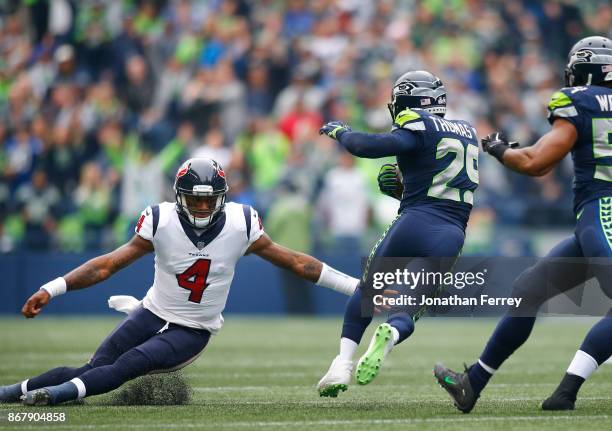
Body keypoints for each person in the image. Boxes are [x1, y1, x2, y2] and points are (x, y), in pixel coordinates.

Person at [0, 157, 359, 406]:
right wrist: (53, 287)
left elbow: (298, 262)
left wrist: (356, 288)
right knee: (94, 368)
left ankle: (55, 397)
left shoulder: (241, 223)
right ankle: (13, 391)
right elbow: (107, 265)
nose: (202, 208)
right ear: (179, 196)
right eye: (194, 200)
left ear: (221, 199)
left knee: (129, 366)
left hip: (192, 330)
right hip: (152, 312)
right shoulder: (160, 219)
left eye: (208, 201)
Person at [434, 36, 612, 413]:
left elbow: (535, 163)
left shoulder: (579, 101)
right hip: (593, 220)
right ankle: (473, 383)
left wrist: (499, 149)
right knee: (527, 289)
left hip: (604, 210)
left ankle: (566, 390)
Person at [316, 70, 479, 397]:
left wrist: (343, 133)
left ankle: (342, 364)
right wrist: (405, 190)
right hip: (450, 234)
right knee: (409, 306)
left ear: (408, 100)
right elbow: (441, 185)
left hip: (413, 223)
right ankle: (390, 332)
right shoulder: (468, 131)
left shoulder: (418, 125)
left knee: (367, 293)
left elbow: (368, 146)